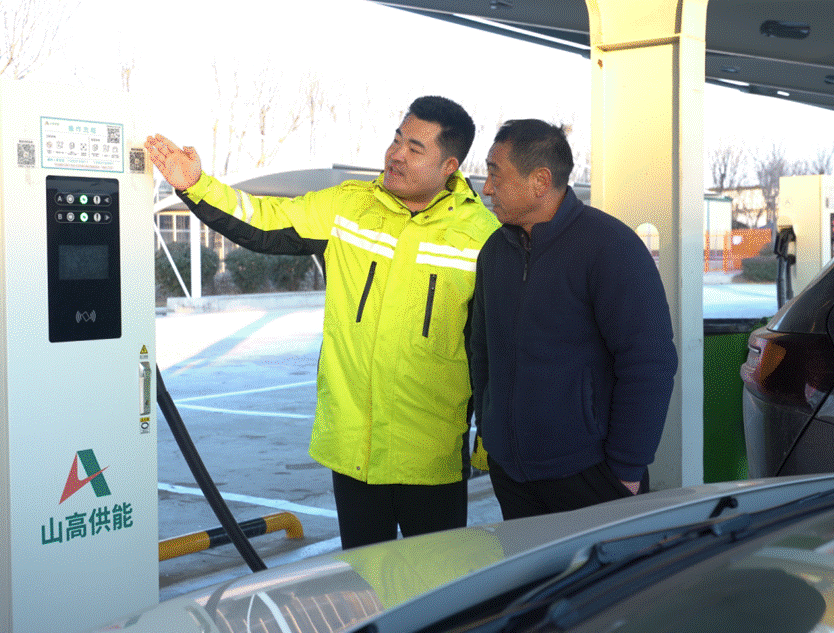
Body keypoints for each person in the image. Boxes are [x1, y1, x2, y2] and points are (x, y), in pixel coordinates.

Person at [145, 96, 500, 548]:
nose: (396, 155)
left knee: (437, 580)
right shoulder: (348, 206)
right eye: (396, 140)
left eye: (415, 149)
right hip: (352, 450)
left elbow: (493, 351)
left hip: (430, 456)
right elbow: (264, 221)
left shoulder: (482, 236)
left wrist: (489, 443)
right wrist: (196, 185)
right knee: (363, 575)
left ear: (449, 166)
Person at [470, 119, 678, 520]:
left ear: (540, 180)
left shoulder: (610, 246)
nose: (487, 188)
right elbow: (482, 350)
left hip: (591, 473)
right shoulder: (494, 251)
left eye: (496, 174)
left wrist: (627, 469)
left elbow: (649, 363)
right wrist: (491, 426)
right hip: (512, 475)